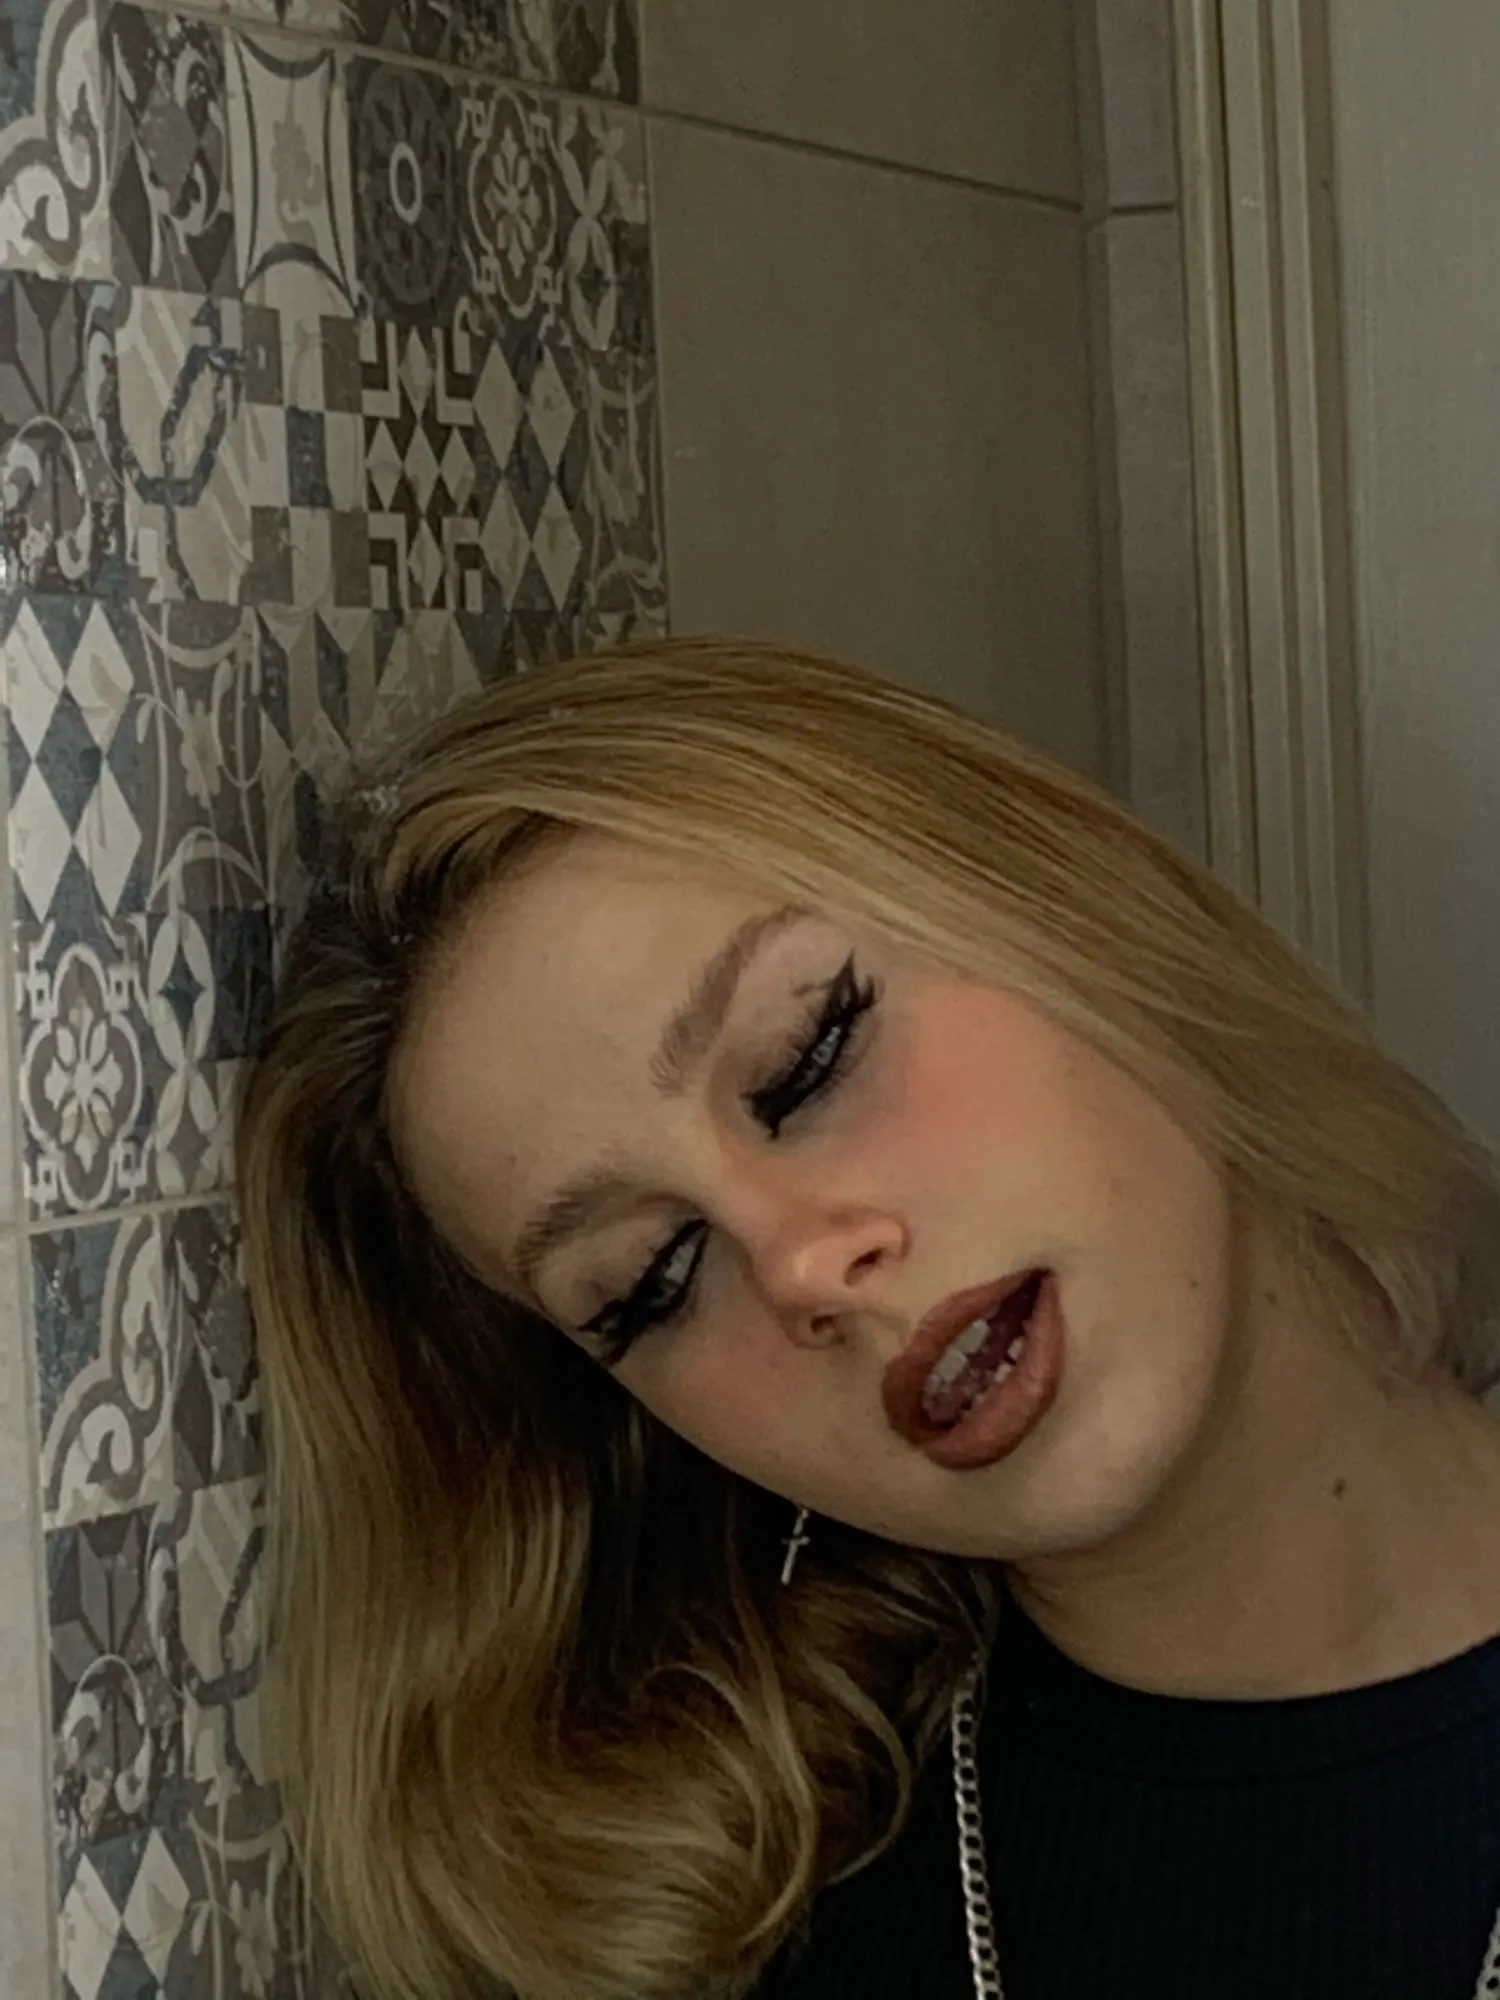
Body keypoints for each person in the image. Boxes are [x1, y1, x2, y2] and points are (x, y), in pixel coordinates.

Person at [237, 638, 1500, 2000]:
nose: (802, 1264)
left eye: (810, 1057)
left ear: (1064, 893)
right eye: (657, 1277)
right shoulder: (742, 1950)